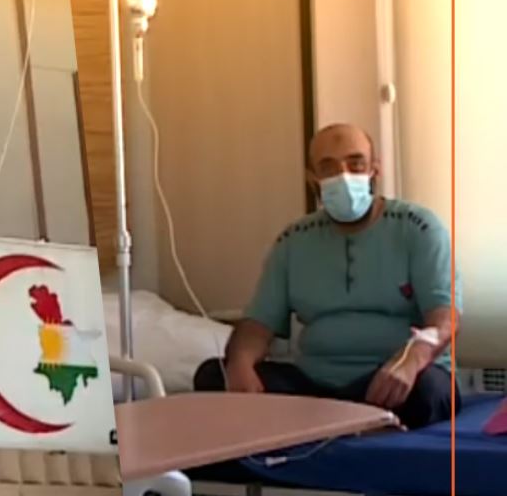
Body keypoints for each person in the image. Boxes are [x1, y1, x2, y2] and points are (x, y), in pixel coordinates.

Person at [193, 122, 459, 429]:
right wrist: (240, 364)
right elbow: (257, 325)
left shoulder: (419, 228)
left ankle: (338, 427)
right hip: (315, 387)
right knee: (213, 376)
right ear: (313, 179)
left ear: (375, 170)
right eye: (328, 167)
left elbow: (445, 319)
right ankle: (349, 426)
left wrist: (409, 362)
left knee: (430, 393)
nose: (343, 176)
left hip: (395, 379)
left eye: (355, 163)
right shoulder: (294, 240)